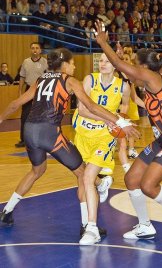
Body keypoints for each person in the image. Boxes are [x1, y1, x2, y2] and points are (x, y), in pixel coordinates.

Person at [0, 48, 137, 233]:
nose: (74, 67)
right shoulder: (69, 81)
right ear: (65, 64)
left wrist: (0, 119)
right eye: (72, 64)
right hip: (49, 132)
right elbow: (91, 106)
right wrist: (118, 120)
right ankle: (85, 224)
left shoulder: (40, 80)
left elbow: (16, 104)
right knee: (82, 174)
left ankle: (7, 211)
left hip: (29, 131)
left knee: (37, 170)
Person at [94, 21, 162, 245]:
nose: (133, 67)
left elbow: (123, 68)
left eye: (135, 64)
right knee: (131, 179)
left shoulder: (154, 79)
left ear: (144, 67)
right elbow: (127, 75)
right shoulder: (145, 82)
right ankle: (145, 226)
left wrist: (104, 43)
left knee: (148, 185)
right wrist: (121, 56)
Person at [72, 53, 135, 245]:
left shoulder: (123, 86)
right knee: (81, 180)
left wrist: (119, 118)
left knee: (87, 177)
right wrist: (112, 120)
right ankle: (100, 187)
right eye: (100, 61)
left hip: (104, 138)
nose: (103, 64)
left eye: (107, 61)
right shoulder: (90, 80)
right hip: (82, 134)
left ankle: (92, 228)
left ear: (115, 65)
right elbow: (82, 109)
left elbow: (125, 105)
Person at [15, 42, 48, 148]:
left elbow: (49, 77)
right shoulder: (26, 62)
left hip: (41, 90)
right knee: (25, 115)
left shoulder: (45, 62)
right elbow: (22, 77)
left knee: (42, 115)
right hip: (29, 90)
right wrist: (20, 91)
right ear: (30, 50)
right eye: (33, 48)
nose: (35, 50)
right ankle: (23, 140)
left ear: (40, 50)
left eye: (37, 48)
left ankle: (42, 139)